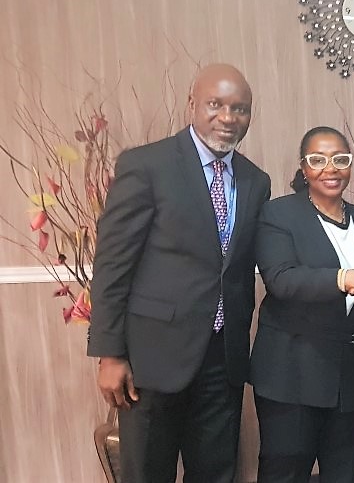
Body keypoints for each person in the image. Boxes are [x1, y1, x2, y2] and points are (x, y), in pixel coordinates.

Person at [87, 63, 271, 482]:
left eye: (240, 109)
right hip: (152, 358)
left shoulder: (255, 180)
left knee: (215, 472)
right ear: (192, 104)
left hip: (223, 358)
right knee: (148, 472)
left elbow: (241, 267)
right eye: (216, 105)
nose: (228, 118)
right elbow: (113, 264)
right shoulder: (147, 165)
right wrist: (110, 354)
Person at [250, 126, 354, 483]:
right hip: (292, 374)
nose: (330, 168)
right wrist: (347, 278)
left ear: (350, 166)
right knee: (284, 473)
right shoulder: (277, 216)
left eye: (340, 160)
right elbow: (282, 280)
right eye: (318, 160)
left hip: (353, 377)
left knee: (345, 474)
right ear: (303, 168)